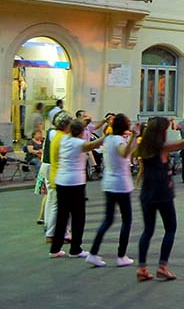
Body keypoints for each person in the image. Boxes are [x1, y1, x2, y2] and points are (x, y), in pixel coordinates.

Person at [135, 114, 184, 281]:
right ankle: (162, 266)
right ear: (161, 131)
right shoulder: (162, 147)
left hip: (146, 193)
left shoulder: (144, 146)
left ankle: (142, 268)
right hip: (162, 193)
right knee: (170, 228)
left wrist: (134, 134)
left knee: (148, 230)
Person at [49, 117, 107, 259]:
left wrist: (83, 124)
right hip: (75, 183)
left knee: (62, 216)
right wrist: (108, 134)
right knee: (78, 216)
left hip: (61, 181)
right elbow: (94, 144)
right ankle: (75, 249)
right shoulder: (78, 143)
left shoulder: (64, 140)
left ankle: (55, 249)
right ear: (80, 132)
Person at [86, 113, 139, 268]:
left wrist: (133, 138)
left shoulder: (108, 138)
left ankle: (93, 253)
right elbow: (125, 153)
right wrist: (134, 136)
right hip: (120, 184)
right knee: (127, 220)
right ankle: (121, 256)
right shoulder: (117, 140)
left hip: (109, 183)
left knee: (108, 220)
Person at [43, 113, 72, 243]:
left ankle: (50, 228)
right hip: (56, 170)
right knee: (57, 203)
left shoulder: (51, 132)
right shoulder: (60, 136)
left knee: (52, 201)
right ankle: (53, 233)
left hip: (49, 167)